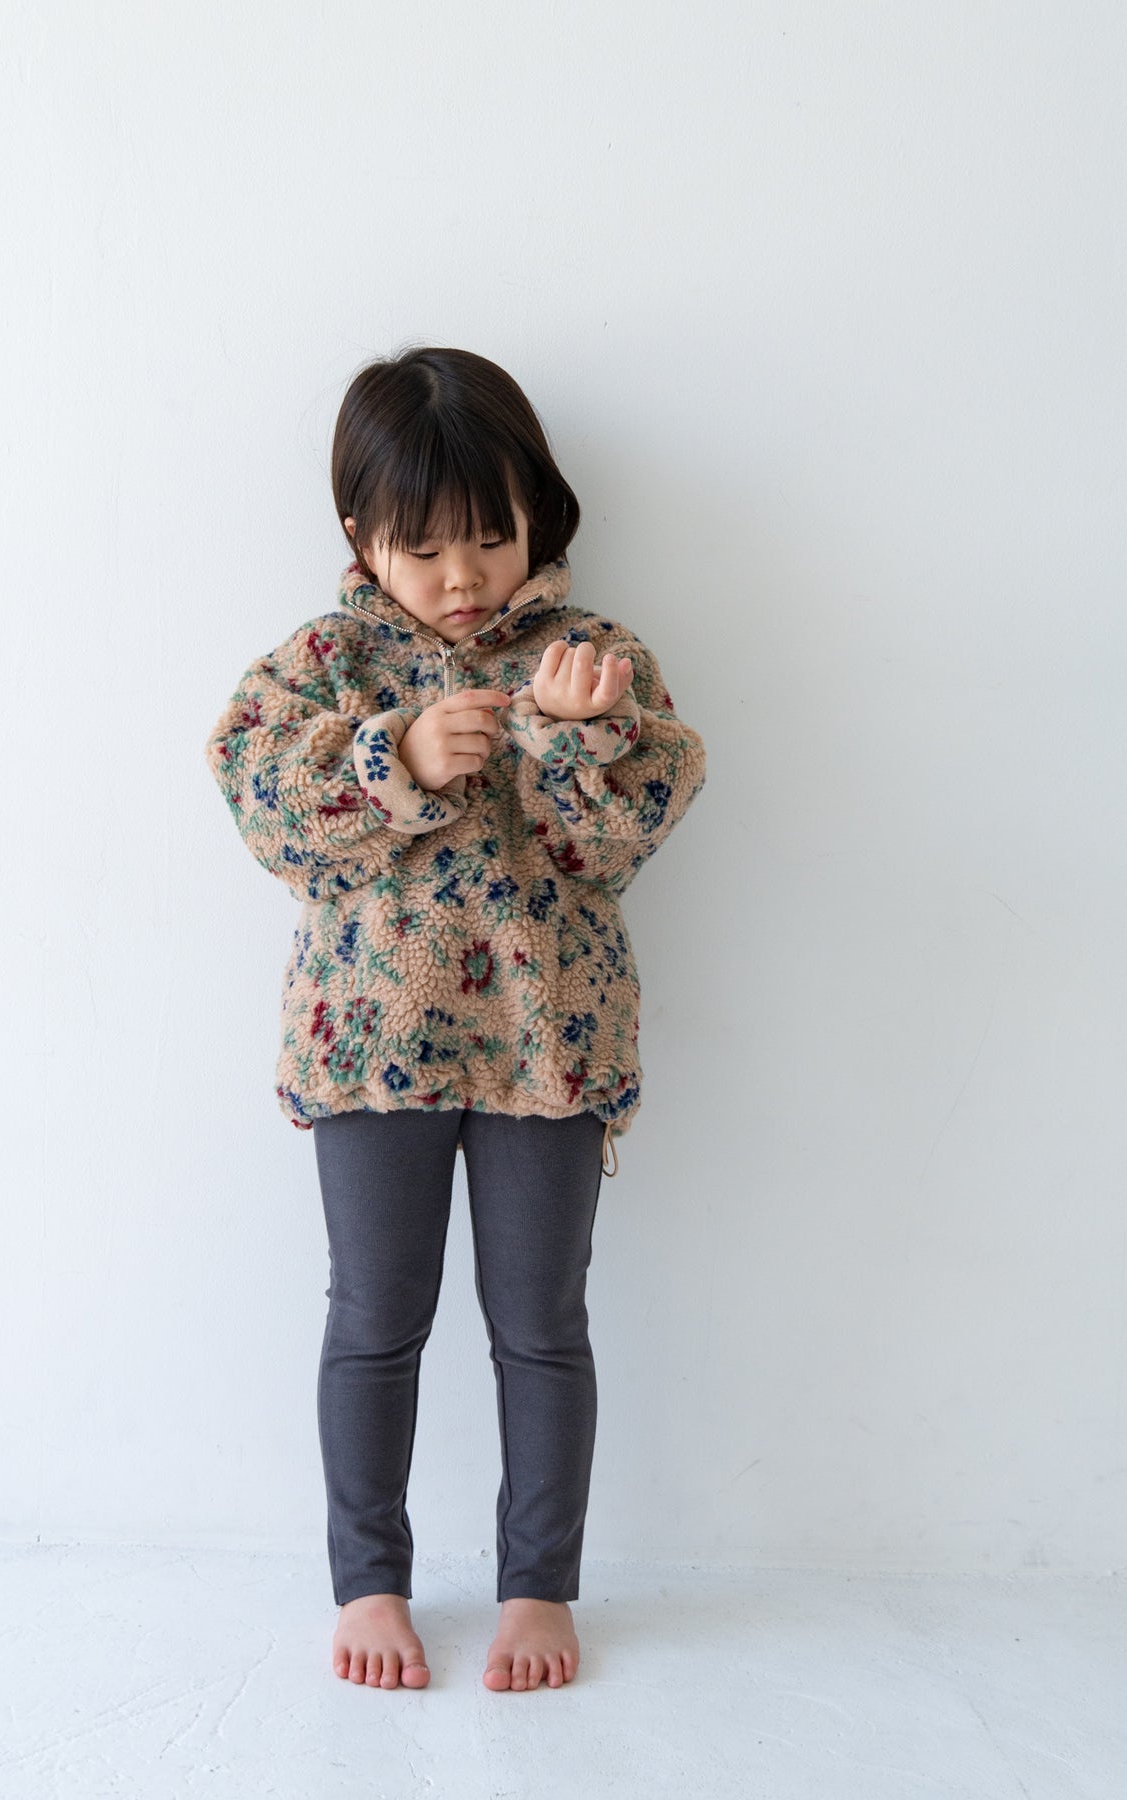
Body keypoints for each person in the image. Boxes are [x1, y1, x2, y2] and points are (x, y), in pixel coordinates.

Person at [204, 345, 706, 1693]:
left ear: (538, 509)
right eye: (422, 547)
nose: (462, 574)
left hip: (550, 1046)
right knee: (374, 1322)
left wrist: (576, 739)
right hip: (369, 1049)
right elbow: (261, 802)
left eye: (489, 535)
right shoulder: (324, 661)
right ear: (359, 534)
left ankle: (538, 1587)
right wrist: (396, 757)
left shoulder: (594, 660)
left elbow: (622, 840)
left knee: (541, 1327)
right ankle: (369, 1581)